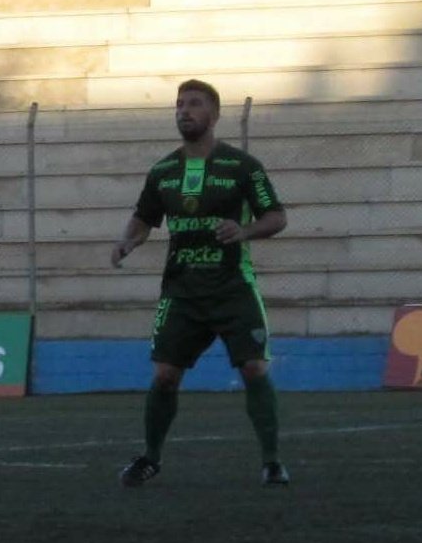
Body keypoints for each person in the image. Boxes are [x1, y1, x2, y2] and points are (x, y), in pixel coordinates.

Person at [111, 80, 289, 487]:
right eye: (179, 104)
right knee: (164, 375)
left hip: (233, 287)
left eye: (194, 104)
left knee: (254, 368)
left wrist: (244, 230)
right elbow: (144, 218)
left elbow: (277, 217)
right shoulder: (163, 171)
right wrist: (127, 242)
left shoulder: (242, 166)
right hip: (182, 292)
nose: (184, 111)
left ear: (215, 114)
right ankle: (151, 458)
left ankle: (272, 461)